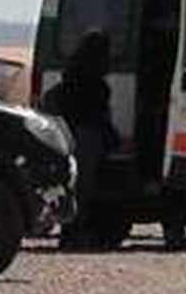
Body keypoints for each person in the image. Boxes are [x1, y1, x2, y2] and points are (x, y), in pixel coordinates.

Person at [40, 30, 119, 249]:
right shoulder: (98, 86)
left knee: (72, 187)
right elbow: (99, 116)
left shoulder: (70, 76)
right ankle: (76, 233)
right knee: (84, 190)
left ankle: (69, 232)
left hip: (65, 137)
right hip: (87, 139)